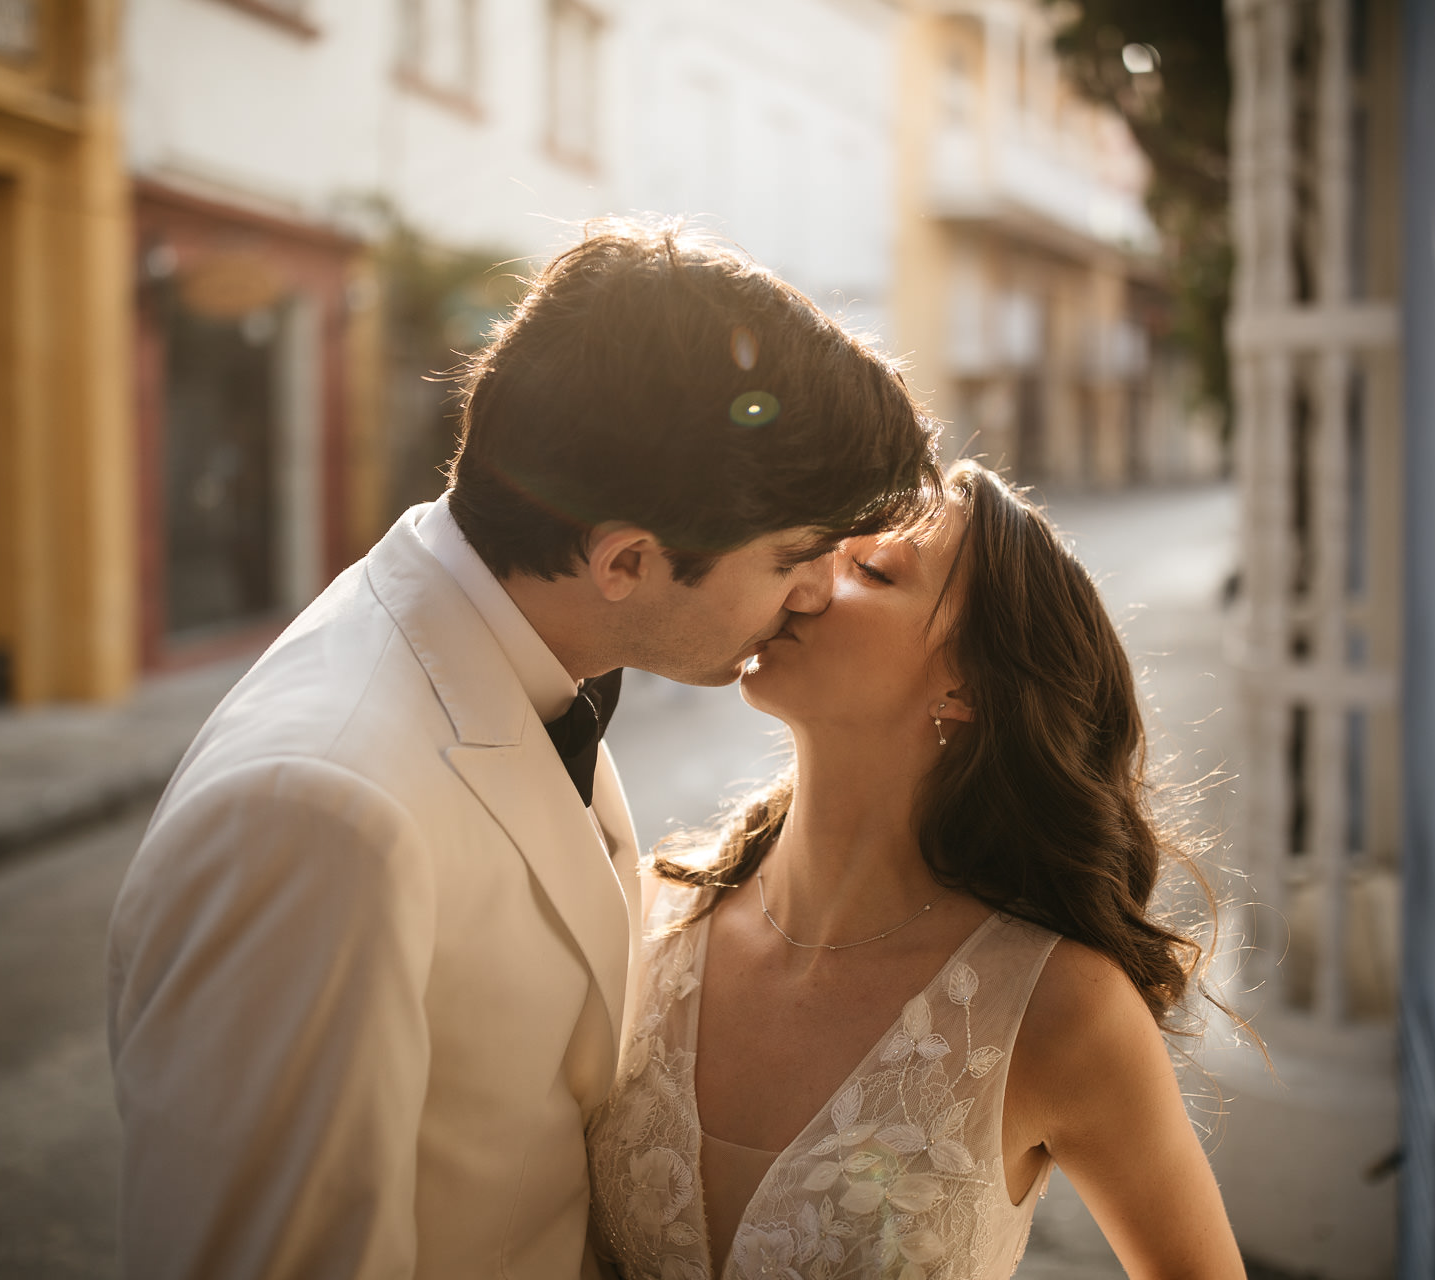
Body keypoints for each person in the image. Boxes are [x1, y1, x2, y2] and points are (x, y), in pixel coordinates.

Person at [105, 220, 938, 1280]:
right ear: (627, 559)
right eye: (796, 556)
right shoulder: (318, 810)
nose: (820, 591)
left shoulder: (529, 646)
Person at [587, 460, 1247, 1280]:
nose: (801, 579)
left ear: (964, 686)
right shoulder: (650, 912)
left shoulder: (1057, 1010)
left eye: (869, 568)